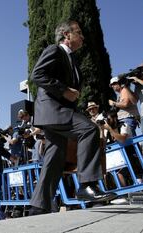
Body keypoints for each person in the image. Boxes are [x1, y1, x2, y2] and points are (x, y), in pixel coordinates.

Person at [29, 20, 117, 215]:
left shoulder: (72, 60)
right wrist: (64, 91)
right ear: (67, 35)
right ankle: (87, 185)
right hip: (53, 111)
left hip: (58, 113)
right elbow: (37, 75)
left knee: (55, 157)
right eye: (79, 32)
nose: (83, 37)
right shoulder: (55, 50)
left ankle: (38, 206)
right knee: (90, 129)